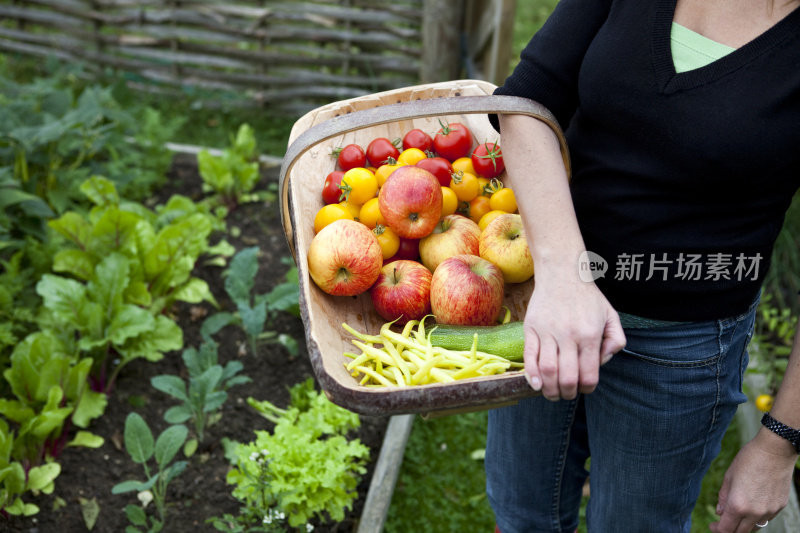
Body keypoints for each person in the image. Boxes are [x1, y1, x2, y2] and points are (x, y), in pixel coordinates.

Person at [484, 0, 800, 532]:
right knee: (521, 513)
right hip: (546, 308)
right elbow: (527, 100)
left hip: (681, 352)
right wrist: (565, 278)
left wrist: (780, 444)